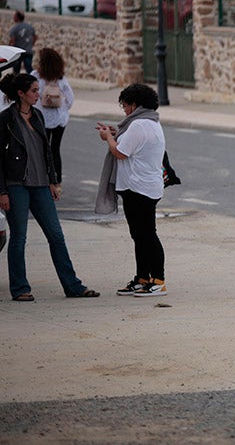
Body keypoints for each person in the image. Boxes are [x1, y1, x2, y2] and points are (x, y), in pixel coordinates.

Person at [0, 73, 98, 301]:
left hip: (41, 184)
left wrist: (53, 181)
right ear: (21, 94)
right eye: (34, 91)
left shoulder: (38, 116)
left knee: (56, 235)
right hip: (16, 185)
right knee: (19, 237)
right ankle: (20, 288)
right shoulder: (5, 119)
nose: (38, 94)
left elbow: (47, 152)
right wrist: (2, 191)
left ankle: (73, 286)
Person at [95, 83, 168, 297]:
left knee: (147, 235)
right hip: (141, 186)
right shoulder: (149, 122)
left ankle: (158, 280)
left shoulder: (139, 125)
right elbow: (129, 143)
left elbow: (120, 152)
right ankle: (142, 278)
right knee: (139, 235)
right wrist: (114, 133)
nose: (124, 110)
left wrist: (107, 138)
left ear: (135, 105)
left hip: (139, 188)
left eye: (125, 105)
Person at [31, 47, 74, 181]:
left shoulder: (36, 77)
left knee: (41, 150)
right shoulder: (61, 79)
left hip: (41, 118)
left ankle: (42, 178)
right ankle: (57, 180)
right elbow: (70, 99)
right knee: (55, 149)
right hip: (60, 119)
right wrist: (62, 107)